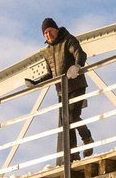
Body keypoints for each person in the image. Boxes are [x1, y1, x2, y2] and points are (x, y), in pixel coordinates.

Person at [30, 17, 93, 159]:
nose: (48, 35)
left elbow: (80, 54)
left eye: (50, 31)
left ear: (56, 29)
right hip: (61, 91)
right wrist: (37, 82)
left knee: (72, 117)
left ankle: (87, 139)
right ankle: (73, 154)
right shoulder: (47, 52)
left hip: (76, 85)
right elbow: (50, 74)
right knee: (66, 122)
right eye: (45, 33)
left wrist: (76, 66)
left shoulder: (68, 40)